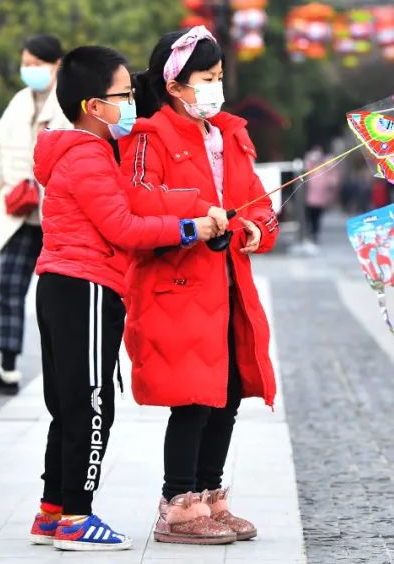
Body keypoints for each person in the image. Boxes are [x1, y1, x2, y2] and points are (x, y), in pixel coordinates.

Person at [27, 45, 224, 551]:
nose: (133, 103)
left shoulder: (76, 152)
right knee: (93, 407)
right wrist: (192, 226)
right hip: (86, 285)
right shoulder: (88, 155)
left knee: (68, 404)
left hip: (61, 285)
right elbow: (124, 227)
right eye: (125, 95)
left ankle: (52, 511)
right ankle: (76, 516)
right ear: (94, 106)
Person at [123, 26, 279, 545]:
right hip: (179, 287)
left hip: (229, 285)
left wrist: (256, 226)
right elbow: (141, 203)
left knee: (228, 392)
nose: (216, 88)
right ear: (175, 85)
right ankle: (179, 505)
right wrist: (198, 214)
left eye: (219, 78)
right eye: (207, 79)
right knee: (192, 397)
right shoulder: (149, 137)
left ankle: (211, 495)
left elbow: (255, 199)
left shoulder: (228, 134)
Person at [0, 34, 71, 394]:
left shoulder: (68, 102)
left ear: (57, 64)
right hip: (17, 213)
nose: (29, 69)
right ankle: (8, 365)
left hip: (57, 216)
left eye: (36, 63)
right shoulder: (16, 104)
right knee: (8, 290)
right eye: (26, 62)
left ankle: (62, 363)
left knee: (56, 297)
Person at [303, 144, 338, 244]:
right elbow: (305, 169)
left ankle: (315, 233)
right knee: (310, 216)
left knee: (317, 217)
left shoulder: (325, 167)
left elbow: (333, 179)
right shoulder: (311, 167)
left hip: (321, 199)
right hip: (310, 198)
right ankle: (311, 232)